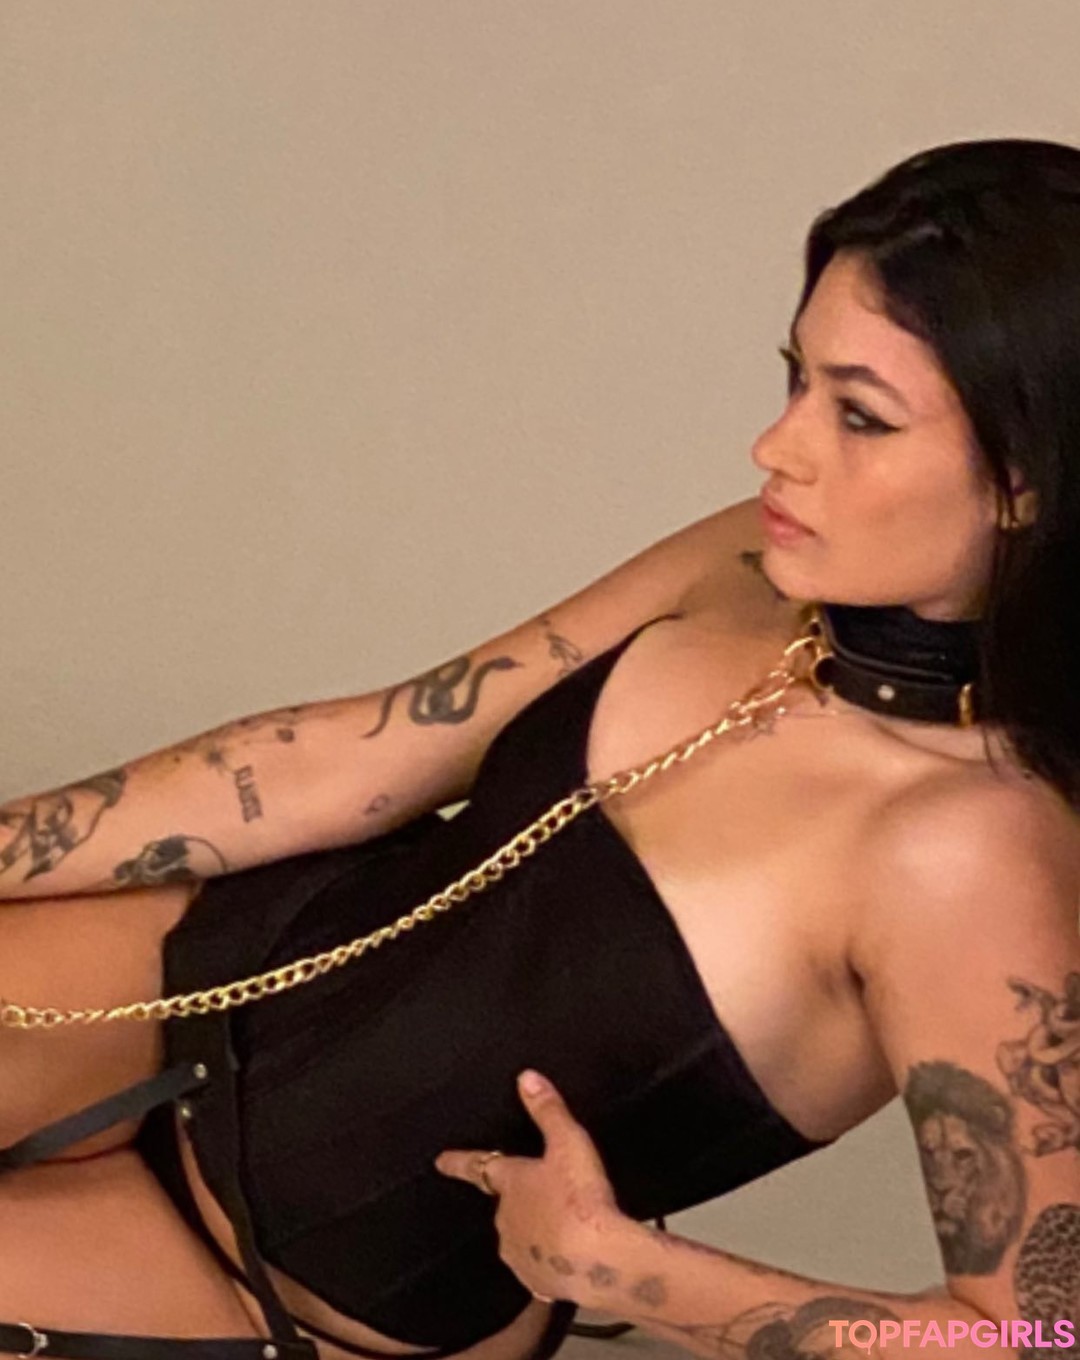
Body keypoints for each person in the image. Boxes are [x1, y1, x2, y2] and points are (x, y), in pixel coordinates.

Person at [1, 137, 1077, 1360]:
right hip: (215, 970)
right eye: (795, 379)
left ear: (1025, 481)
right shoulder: (757, 566)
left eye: (861, 416)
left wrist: (634, 1274)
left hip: (297, 1284)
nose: (778, 448)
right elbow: (361, 756)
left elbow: (1042, 1331)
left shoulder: (973, 859)